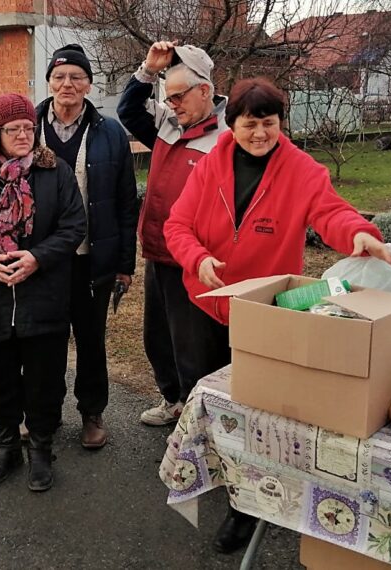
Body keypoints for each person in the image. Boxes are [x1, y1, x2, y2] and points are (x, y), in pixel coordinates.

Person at [164, 77, 391, 553]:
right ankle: (218, 475)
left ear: (281, 123)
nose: (259, 134)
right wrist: (198, 259)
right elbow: (178, 224)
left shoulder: (302, 170)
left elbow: (331, 211)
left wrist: (357, 233)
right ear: (231, 124)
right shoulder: (211, 162)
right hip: (204, 301)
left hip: (261, 311)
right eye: (249, 124)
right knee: (208, 397)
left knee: (257, 406)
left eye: (269, 124)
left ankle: (244, 509)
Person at [0, 44, 138, 449]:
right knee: (44, 341)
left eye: (77, 77)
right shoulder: (28, 125)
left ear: (89, 84)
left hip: (91, 256)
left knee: (91, 338)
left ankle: (91, 412)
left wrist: (124, 264)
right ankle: (45, 414)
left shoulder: (109, 132)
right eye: (59, 77)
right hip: (37, 261)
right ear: (48, 83)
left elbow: (127, 203)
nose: (67, 84)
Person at [0, 93, 86, 491]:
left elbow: (73, 226)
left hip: (43, 294)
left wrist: (37, 258)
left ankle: (41, 449)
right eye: (13, 130)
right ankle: (6, 444)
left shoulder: (54, 173)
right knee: (2, 379)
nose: (24, 135)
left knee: (45, 379)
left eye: (29, 127)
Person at [116, 41, 228, 426]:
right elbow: (128, 110)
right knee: (157, 337)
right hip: (158, 252)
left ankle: (201, 416)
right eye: (168, 96)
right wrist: (148, 69)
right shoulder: (168, 123)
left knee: (195, 343)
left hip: (196, 260)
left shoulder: (227, 138)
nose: (172, 104)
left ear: (205, 91)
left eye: (178, 96)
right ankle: (173, 401)